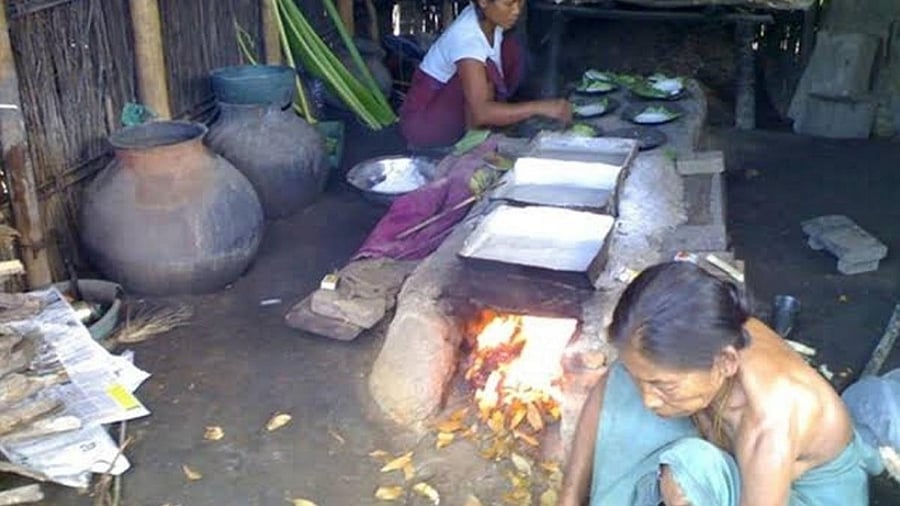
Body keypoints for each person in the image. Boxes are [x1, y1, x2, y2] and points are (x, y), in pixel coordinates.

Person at [561, 261, 883, 506]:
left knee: (690, 472)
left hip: (801, 496)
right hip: (742, 453)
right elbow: (616, 385)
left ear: (726, 362)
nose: (650, 400)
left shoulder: (770, 422)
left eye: (664, 387)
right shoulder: (711, 328)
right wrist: (569, 498)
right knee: (623, 380)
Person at [399, 0, 572, 148]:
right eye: (508, 4)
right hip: (426, 124)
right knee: (486, 73)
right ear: (482, 1)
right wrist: (540, 107)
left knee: (511, 50)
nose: (516, 11)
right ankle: (470, 145)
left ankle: (481, 135)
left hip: (455, 115)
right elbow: (481, 112)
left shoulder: (488, 21)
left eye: (520, 2)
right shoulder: (467, 39)